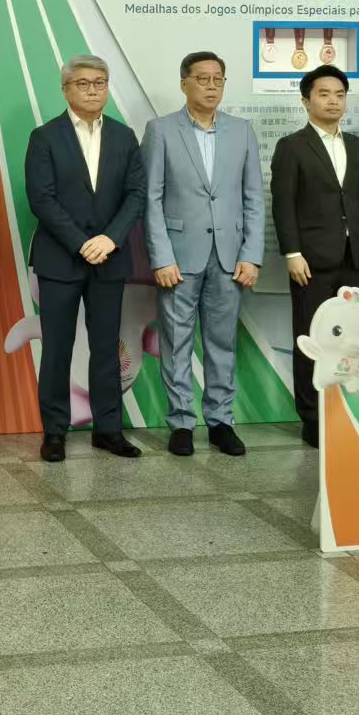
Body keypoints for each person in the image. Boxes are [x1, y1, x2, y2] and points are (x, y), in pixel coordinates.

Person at [141, 51, 264, 458]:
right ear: (184, 83)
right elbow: (151, 198)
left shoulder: (241, 131)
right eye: (202, 79)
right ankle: (180, 423)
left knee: (222, 342)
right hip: (178, 257)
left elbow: (253, 198)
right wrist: (161, 257)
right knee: (176, 342)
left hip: (230, 257)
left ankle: (220, 421)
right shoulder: (160, 130)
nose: (211, 86)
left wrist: (251, 255)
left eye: (218, 79)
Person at [24, 55, 145, 462]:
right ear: (65, 89)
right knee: (57, 348)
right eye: (83, 83)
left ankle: (108, 430)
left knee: (107, 347)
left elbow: (136, 194)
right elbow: (41, 198)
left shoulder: (125, 137)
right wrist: (82, 242)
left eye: (100, 82)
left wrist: (109, 239)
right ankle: (54, 432)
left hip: (110, 258)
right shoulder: (45, 137)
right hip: (60, 259)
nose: (93, 90)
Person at [270, 65, 359, 447]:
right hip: (311, 261)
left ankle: (344, 415)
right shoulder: (292, 146)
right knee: (312, 338)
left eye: (339, 94)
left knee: (350, 342)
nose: (333, 101)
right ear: (306, 101)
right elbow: (283, 205)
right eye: (324, 94)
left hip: (354, 259)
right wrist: (292, 253)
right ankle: (312, 419)